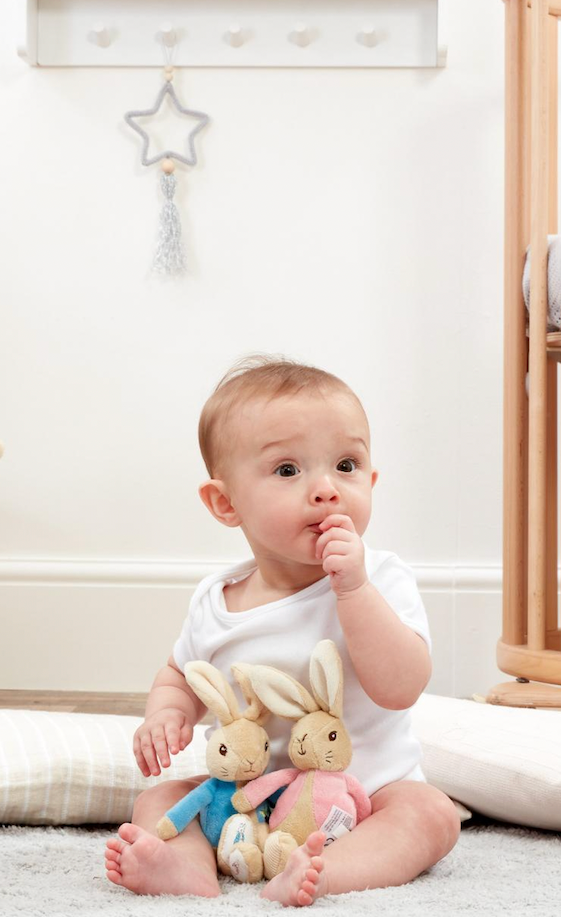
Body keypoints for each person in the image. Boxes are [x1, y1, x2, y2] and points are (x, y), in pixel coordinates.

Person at [103, 356, 459, 906]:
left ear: (371, 479)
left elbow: (401, 686)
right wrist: (166, 715)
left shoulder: (380, 577)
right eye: (288, 471)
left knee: (431, 814)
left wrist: (354, 591)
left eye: (346, 465)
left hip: (361, 802)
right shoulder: (216, 602)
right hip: (248, 803)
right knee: (162, 799)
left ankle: (323, 870)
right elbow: (180, 672)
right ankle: (185, 866)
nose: (326, 489)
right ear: (226, 503)